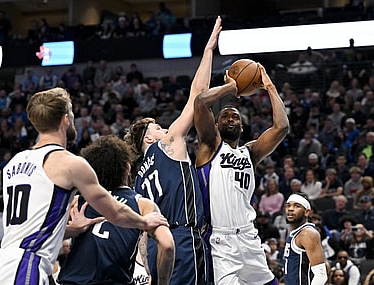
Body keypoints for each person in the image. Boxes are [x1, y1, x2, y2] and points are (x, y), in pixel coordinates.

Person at [0, 87, 168, 285]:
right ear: (65, 119)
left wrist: (71, 230)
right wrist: (144, 222)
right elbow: (115, 212)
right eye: (71, 113)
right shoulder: (70, 163)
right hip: (26, 265)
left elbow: (29, 227)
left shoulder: (14, 163)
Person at [124, 16, 224, 285]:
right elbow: (197, 95)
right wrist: (208, 51)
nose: (163, 128)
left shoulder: (138, 181)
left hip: (158, 248)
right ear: (147, 139)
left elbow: (143, 235)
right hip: (182, 238)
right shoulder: (166, 144)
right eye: (156, 127)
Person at [194, 57, 288, 283]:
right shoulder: (210, 146)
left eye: (235, 116)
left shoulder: (251, 152)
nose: (230, 118)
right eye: (224, 116)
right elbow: (200, 102)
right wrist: (231, 88)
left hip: (249, 236)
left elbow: (282, 126)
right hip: (221, 240)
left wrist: (269, 86)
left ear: (242, 125)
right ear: (216, 125)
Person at [58, 135, 175, 285]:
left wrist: (73, 229)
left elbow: (41, 234)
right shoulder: (142, 204)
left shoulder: (77, 202)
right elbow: (167, 245)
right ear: (127, 168)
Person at [283, 194, 328, 285]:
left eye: (297, 206)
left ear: (306, 212)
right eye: (288, 205)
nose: (290, 209)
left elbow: (321, 275)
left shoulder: (307, 233)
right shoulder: (294, 233)